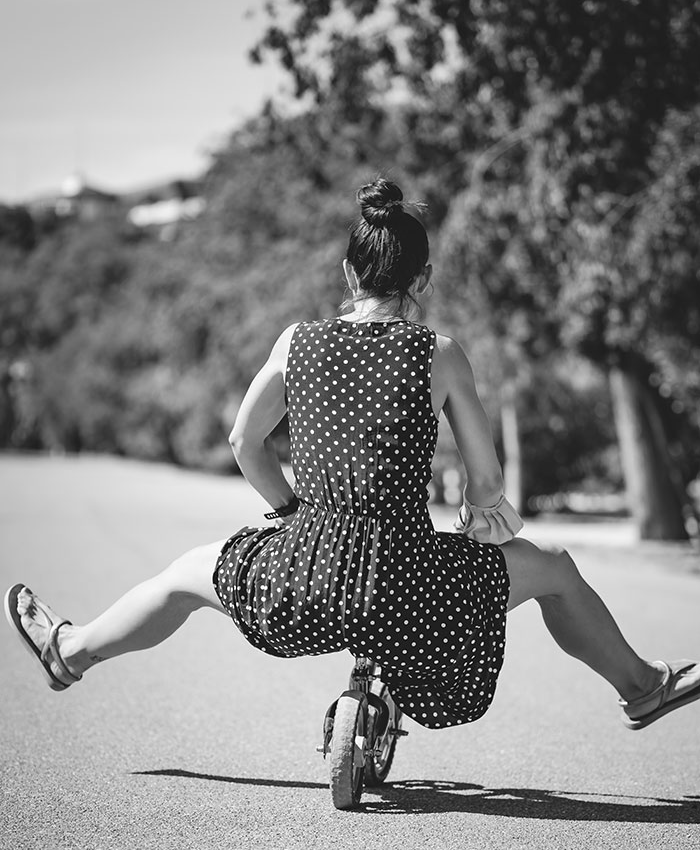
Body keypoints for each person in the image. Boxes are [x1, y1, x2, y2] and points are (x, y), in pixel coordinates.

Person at [5, 178, 699, 732]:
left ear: (347, 270)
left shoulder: (295, 342)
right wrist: (475, 516)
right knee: (556, 571)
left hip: (304, 582)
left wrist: (288, 510)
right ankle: (642, 689)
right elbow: (486, 481)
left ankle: (70, 653)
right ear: (421, 280)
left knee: (184, 577)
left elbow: (243, 443)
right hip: (411, 591)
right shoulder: (440, 353)